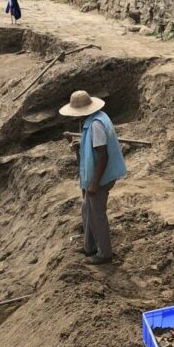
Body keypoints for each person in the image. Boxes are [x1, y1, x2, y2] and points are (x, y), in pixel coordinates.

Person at [59, 90, 127, 265]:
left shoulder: (96, 125)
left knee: (97, 214)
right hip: (99, 175)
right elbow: (94, 146)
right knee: (86, 208)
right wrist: (79, 146)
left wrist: (95, 182)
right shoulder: (97, 118)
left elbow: (102, 155)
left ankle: (104, 253)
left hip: (102, 176)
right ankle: (89, 247)